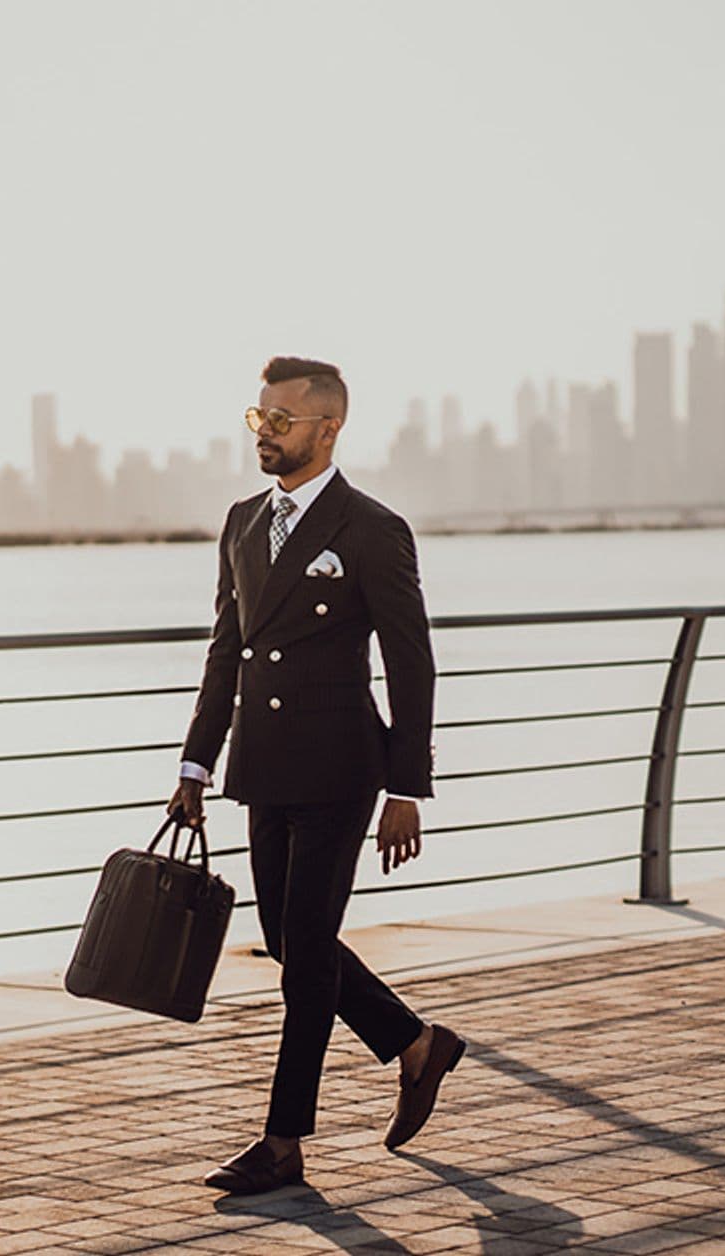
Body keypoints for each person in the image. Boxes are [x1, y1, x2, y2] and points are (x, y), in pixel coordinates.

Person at [168, 355, 465, 1195]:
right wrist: (196, 762)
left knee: (303, 961)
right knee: (294, 940)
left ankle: (283, 1142)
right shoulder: (239, 522)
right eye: (257, 417)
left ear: (327, 428)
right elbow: (226, 650)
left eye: (281, 420)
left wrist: (407, 787)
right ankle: (416, 1044)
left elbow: (412, 662)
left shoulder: (371, 528)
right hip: (261, 768)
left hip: (342, 769)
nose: (264, 433)